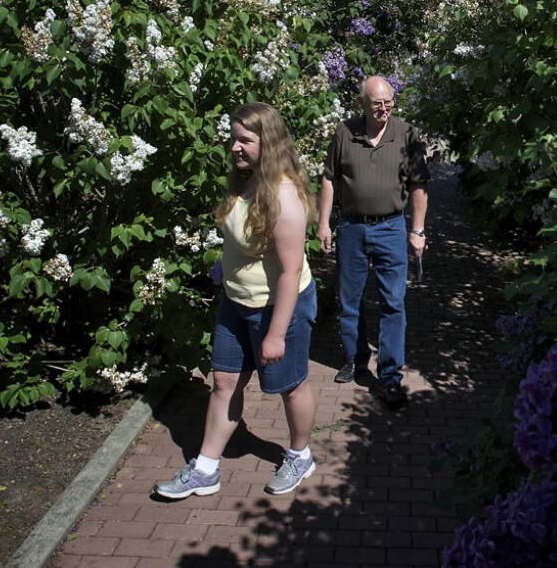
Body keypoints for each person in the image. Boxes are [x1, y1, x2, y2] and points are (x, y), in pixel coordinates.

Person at [154, 103, 319, 499]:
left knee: (289, 385)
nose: (234, 147)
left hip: (279, 305)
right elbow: (242, 239)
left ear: (270, 143)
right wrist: (223, 269)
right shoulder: (244, 181)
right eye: (233, 138)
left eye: (245, 140)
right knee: (224, 382)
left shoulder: (284, 197)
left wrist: (276, 334)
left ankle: (300, 454)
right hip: (235, 300)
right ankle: (206, 469)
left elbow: (289, 271)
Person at [317, 75, 428, 408]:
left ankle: (391, 377)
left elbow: (420, 185)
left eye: (389, 102)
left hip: (391, 228)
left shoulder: (405, 134)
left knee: (393, 303)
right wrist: (324, 222)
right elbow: (329, 178)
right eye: (377, 103)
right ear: (362, 104)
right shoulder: (344, 132)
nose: (384, 108)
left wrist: (418, 230)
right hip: (351, 227)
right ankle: (355, 357)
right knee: (349, 299)